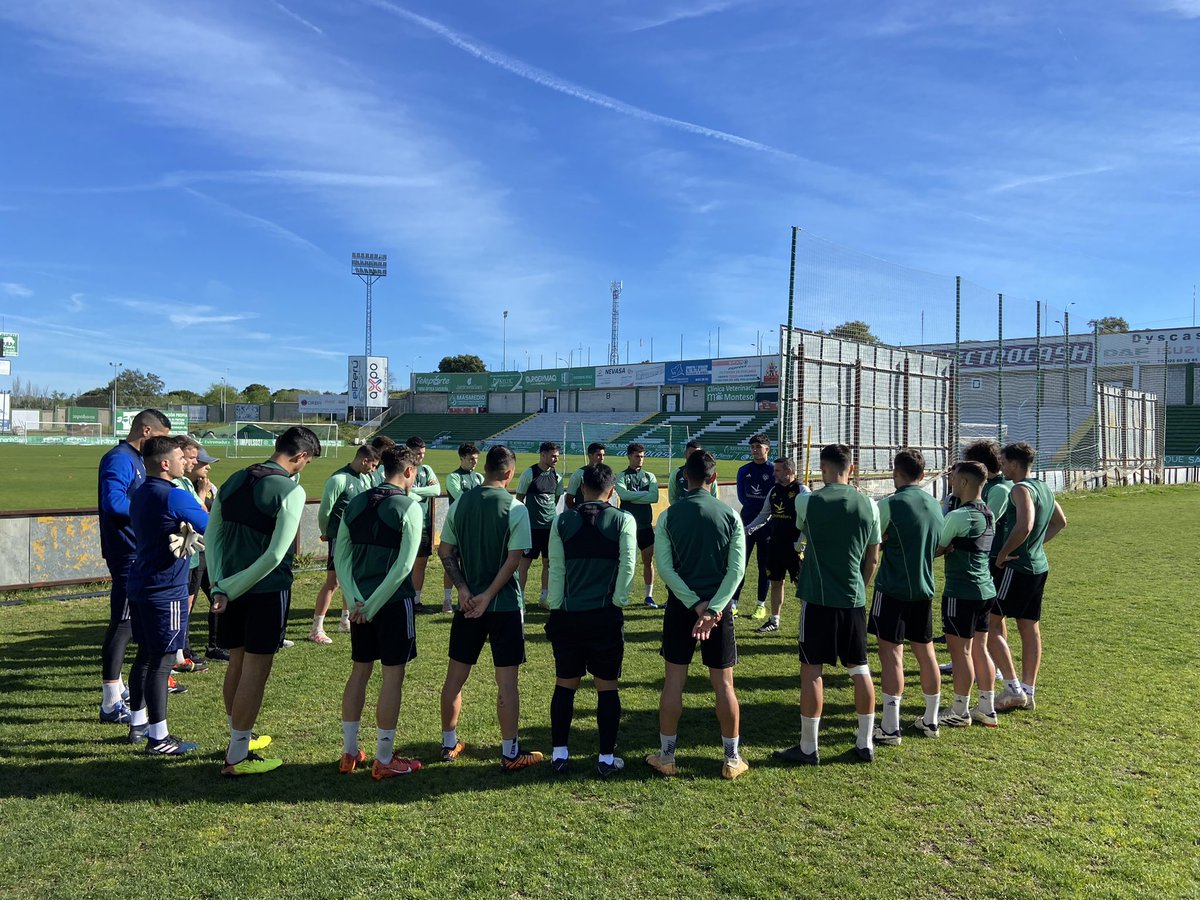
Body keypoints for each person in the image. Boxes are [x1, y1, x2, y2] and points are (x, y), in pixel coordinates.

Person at [208, 426, 322, 777]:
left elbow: (211, 536)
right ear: (301, 456)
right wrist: (234, 587)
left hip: (226, 588)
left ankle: (237, 739)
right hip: (265, 591)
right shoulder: (290, 490)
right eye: (308, 462)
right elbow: (275, 555)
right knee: (256, 670)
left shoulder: (234, 479)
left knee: (237, 664)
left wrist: (219, 585)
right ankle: (238, 755)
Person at [438, 444, 543, 771]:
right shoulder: (516, 508)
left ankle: (448, 743)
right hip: (504, 607)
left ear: (484, 468)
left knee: (454, 679)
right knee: (507, 683)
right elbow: (515, 560)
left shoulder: (461, 503)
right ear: (510, 473)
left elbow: (445, 552)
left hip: (468, 606)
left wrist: (466, 589)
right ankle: (510, 752)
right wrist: (488, 596)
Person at [774, 443, 880, 765]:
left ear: (823, 468)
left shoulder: (808, 501)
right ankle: (865, 744)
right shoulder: (871, 505)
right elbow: (873, 557)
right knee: (860, 669)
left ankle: (809, 747)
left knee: (812, 671)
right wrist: (859, 588)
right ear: (851, 467)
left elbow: (802, 534)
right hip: (852, 598)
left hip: (817, 599)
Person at [646, 450, 748, 780]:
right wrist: (714, 608)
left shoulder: (669, 517)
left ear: (684, 479)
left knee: (674, 681)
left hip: (682, 608)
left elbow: (665, 568)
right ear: (714, 479)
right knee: (724, 685)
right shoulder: (731, 516)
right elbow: (736, 571)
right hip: (718, 611)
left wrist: (694, 604)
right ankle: (731, 759)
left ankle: (667, 756)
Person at [334, 446, 425, 780]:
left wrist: (355, 598)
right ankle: (384, 758)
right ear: (410, 471)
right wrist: (371, 605)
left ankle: (349, 751)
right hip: (389, 603)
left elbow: (340, 556)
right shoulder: (409, 507)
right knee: (392, 676)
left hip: (359, 603)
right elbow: (404, 567)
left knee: (360, 671)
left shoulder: (357, 501)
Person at [545, 462, 637, 777]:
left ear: (582, 489)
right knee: (607, 687)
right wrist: (618, 601)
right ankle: (606, 759)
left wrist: (556, 606)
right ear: (611, 491)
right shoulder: (623, 520)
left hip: (568, 616)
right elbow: (628, 564)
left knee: (565, 685)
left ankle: (559, 754)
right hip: (605, 616)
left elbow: (555, 569)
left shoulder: (562, 522)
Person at [125, 436, 209, 754]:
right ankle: (158, 738)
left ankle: (138, 723)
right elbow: (211, 525)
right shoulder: (174, 496)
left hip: (141, 582)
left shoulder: (142, 492)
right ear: (164, 464)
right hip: (167, 589)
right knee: (162, 662)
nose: (184, 461)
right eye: (179, 457)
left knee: (145, 656)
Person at [97, 408, 172, 724]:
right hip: (126, 552)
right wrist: (149, 511)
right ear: (146, 431)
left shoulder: (136, 460)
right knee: (124, 622)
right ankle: (110, 701)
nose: (164, 449)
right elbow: (112, 503)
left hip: (137, 551)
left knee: (132, 623)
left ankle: (121, 689)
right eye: (161, 439)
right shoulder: (119, 459)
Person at [868, 449, 945, 744]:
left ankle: (890, 726)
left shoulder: (890, 504)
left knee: (891, 656)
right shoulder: (935, 504)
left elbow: (873, 540)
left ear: (894, 472)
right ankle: (931, 720)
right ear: (922, 475)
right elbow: (939, 542)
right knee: (927, 654)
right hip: (924, 588)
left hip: (892, 590)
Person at [988, 442, 1067, 712]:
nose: (1000, 466)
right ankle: (1029, 690)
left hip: (1017, 568)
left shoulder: (1020, 489)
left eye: (1003, 461)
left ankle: (1012, 689)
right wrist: (1036, 546)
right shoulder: (1044, 487)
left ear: (1013, 463)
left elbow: (1025, 525)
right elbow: (1060, 522)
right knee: (1029, 627)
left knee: (988, 623)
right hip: (1038, 567)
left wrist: (1004, 553)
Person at [936, 461, 1000, 729]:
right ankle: (987, 707)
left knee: (960, 652)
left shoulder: (958, 516)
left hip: (961, 591)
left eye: (953, 477)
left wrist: (946, 546)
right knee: (980, 649)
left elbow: (936, 548)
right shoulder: (988, 513)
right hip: (986, 590)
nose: (950, 481)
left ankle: (959, 710)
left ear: (963, 482)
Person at [313, 444, 380, 642]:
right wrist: (325, 532)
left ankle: (345, 621)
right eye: (373, 465)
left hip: (358, 538)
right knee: (333, 582)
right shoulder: (339, 479)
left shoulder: (366, 478)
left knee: (351, 579)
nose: (374, 470)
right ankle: (316, 628)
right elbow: (325, 510)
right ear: (364, 460)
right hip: (338, 538)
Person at [743, 456, 810, 634]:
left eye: (777, 470)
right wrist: (748, 529)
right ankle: (774, 620)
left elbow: (809, 521)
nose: (774, 473)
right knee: (776, 582)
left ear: (789, 471)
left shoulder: (802, 491)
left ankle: (808, 622)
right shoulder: (773, 491)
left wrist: (802, 542)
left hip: (795, 548)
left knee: (801, 586)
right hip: (775, 545)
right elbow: (764, 515)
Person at [170, 435, 208, 675]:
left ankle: (180, 653)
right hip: (180, 555)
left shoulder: (183, 482)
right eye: (190, 457)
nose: (193, 462)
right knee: (178, 607)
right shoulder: (174, 486)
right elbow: (201, 514)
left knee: (187, 604)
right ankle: (175, 656)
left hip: (191, 554)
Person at [188, 447, 228, 663]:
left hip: (208, 551)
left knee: (217, 596)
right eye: (204, 463)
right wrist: (202, 495)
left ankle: (215, 645)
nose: (209, 467)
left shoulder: (210, 486)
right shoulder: (185, 487)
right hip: (193, 552)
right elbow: (198, 517)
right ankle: (183, 650)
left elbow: (216, 516)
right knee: (188, 602)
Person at [515, 441, 564, 606]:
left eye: (557, 456)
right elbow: (519, 498)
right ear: (542, 455)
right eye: (552, 456)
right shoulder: (530, 473)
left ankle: (544, 598)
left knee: (548, 563)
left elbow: (556, 499)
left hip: (550, 527)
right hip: (532, 528)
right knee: (525, 563)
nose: (556, 459)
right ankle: (520, 598)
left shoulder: (557, 476)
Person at [733, 433, 774, 619]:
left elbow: (774, 497)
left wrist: (764, 513)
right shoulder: (744, 470)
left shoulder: (774, 470)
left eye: (758, 447)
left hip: (767, 525)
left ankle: (760, 605)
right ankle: (733, 603)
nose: (755, 450)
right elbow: (742, 497)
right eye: (753, 447)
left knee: (763, 566)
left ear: (767, 449)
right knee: (740, 564)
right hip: (746, 522)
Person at [615, 443, 660, 609]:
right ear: (629, 456)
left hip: (645, 526)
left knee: (648, 561)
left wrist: (633, 497)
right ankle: (622, 595)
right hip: (627, 527)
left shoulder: (650, 476)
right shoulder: (621, 476)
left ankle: (648, 596)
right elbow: (623, 495)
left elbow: (654, 497)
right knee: (626, 562)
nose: (640, 459)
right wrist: (644, 495)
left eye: (642, 456)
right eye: (637, 456)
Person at [442, 443, 483, 612]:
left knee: (472, 562)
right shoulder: (453, 477)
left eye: (476, 459)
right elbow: (460, 498)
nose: (474, 462)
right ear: (461, 458)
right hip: (458, 526)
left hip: (475, 526)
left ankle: (470, 596)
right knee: (452, 562)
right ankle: (447, 599)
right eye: (471, 459)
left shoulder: (479, 477)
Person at [405, 436, 442, 613]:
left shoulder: (426, 470)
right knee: (404, 563)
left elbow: (435, 490)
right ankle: (400, 599)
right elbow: (400, 491)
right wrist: (415, 493)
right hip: (404, 525)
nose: (421, 457)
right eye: (418, 453)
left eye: (423, 453)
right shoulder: (402, 468)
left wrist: (414, 491)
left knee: (421, 563)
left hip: (423, 525)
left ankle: (416, 600)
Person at [668, 440, 717, 504]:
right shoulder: (676, 473)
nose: (694, 457)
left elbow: (714, 497)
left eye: (697, 454)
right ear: (685, 453)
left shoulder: (709, 473)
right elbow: (672, 498)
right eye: (691, 453)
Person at [565, 442, 606, 509]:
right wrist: (577, 514)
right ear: (590, 456)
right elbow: (569, 499)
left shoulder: (605, 474)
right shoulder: (578, 474)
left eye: (603, 455)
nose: (602, 458)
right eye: (598, 455)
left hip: (600, 515)